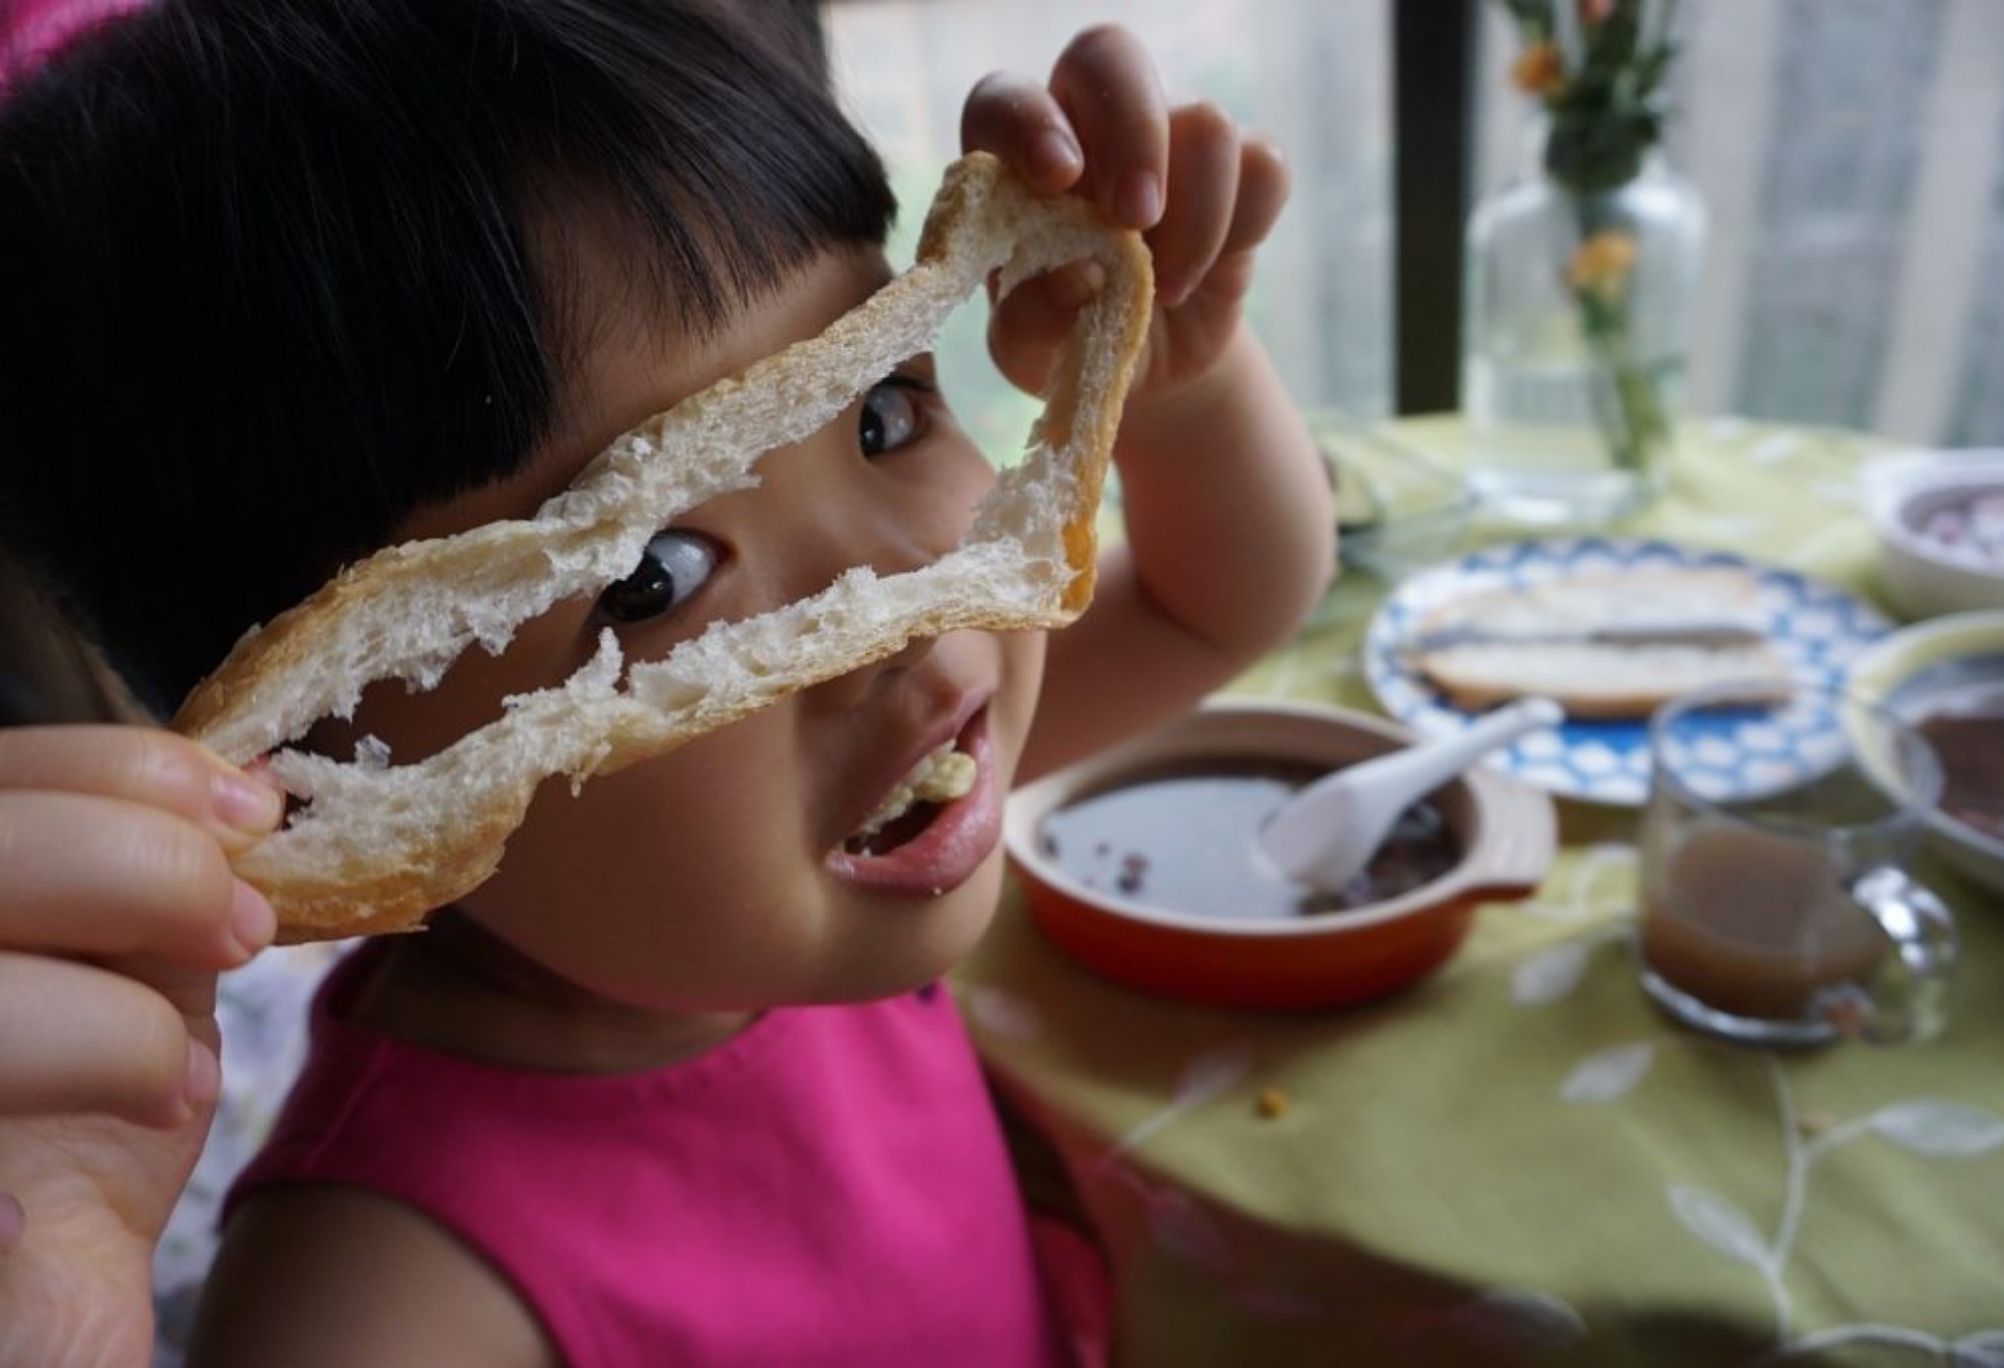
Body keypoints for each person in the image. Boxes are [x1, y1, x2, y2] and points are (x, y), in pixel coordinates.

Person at [0, 1, 1333, 1363]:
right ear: (321, 787)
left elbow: (1209, 599)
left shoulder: (800, 859)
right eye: (650, 577)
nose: (887, 612)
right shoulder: (380, 1287)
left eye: (883, 411)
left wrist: (1172, 387)